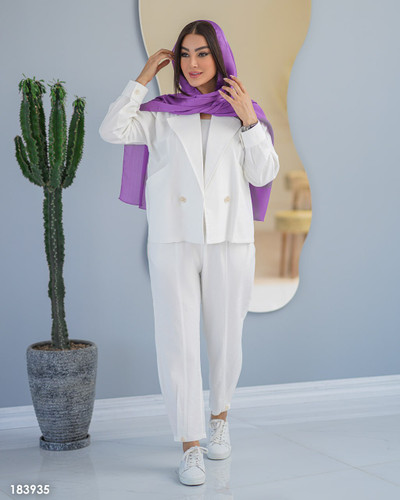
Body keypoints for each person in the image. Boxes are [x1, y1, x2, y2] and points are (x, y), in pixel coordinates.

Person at [99, 19, 280, 486]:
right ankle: (189, 444)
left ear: (218, 57)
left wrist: (250, 121)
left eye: (202, 53)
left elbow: (263, 174)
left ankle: (220, 418)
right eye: (185, 54)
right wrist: (142, 79)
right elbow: (112, 130)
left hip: (229, 239)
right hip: (174, 240)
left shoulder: (240, 112)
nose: (193, 63)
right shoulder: (160, 113)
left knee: (226, 338)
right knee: (176, 341)